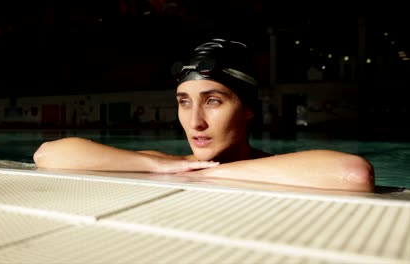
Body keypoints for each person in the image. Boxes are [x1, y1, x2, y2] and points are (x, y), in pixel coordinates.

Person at [33, 38, 374, 192]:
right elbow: (48, 154)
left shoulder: (280, 168)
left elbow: (353, 174)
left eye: (213, 101)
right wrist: (156, 165)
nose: (195, 121)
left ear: (250, 109)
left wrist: (212, 175)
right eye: (184, 101)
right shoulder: (170, 162)